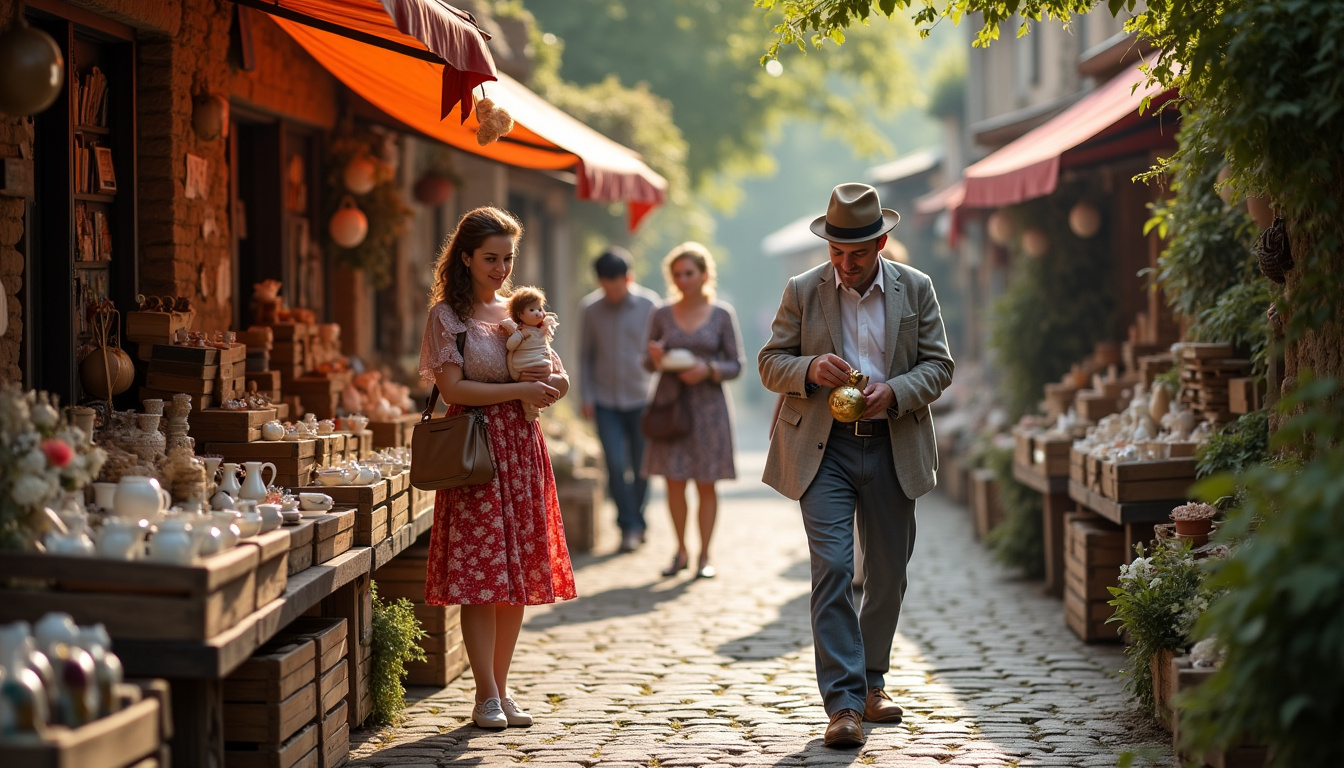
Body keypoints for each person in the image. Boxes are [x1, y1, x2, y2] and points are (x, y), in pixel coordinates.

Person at [758, 183, 954, 749]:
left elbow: (940, 366)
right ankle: (843, 704)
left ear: (882, 244)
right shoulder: (802, 290)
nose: (846, 264)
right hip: (825, 450)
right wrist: (807, 368)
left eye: (858, 254)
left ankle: (872, 683)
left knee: (888, 575)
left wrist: (895, 392)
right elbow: (770, 362)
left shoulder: (917, 287)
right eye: (836, 252)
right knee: (834, 570)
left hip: (894, 443)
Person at [418, 206, 577, 730]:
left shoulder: (518, 309)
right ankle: (484, 693)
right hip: (476, 452)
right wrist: (519, 391)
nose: (501, 268)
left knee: (518, 575)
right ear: (465, 257)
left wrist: (554, 387)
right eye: (491, 258)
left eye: (508, 258)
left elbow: (556, 371)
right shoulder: (448, 316)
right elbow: (452, 390)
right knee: (482, 577)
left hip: (523, 448)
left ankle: (502, 689)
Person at [643, 242, 745, 580]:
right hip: (670, 406)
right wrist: (656, 358)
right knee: (673, 481)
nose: (683, 280)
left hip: (709, 408)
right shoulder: (661, 313)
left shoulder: (722, 314)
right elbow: (647, 362)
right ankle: (680, 551)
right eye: (677, 274)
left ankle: (704, 555)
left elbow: (737, 364)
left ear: (704, 274)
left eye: (689, 273)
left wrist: (708, 369)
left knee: (706, 483)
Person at [579, 247, 660, 553]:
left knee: (642, 466)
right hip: (605, 401)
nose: (611, 293)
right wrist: (587, 396)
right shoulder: (590, 309)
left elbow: (661, 352)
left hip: (643, 398)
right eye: (606, 287)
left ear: (629, 278)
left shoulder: (651, 305)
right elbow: (584, 356)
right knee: (614, 463)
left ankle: (637, 520)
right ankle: (628, 526)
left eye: (617, 286)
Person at [502, 286, 560, 421]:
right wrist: (521, 335)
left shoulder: (541, 329)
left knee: (539, 389)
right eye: (532, 310)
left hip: (541, 365)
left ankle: (535, 408)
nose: (538, 313)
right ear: (520, 315)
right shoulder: (521, 331)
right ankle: (530, 411)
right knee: (529, 390)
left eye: (539, 309)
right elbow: (510, 346)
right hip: (526, 366)